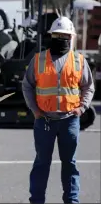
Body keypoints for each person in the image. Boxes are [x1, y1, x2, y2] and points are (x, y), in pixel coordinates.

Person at [22, 16, 95, 204]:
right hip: (44, 121)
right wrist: (35, 110)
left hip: (70, 120)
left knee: (69, 163)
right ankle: (37, 201)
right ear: (51, 36)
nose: (61, 38)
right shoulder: (38, 60)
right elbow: (27, 86)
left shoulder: (79, 61)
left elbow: (88, 86)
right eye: (58, 35)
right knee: (41, 163)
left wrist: (82, 107)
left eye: (65, 35)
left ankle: (72, 200)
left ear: (70, 38)